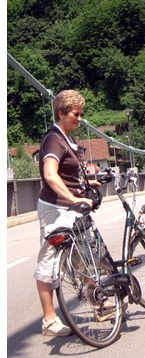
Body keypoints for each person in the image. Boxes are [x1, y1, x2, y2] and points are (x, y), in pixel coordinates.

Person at [34, 89, 100, 337]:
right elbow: (50, 174)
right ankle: (49, 320)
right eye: (75, 113)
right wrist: (72, 197)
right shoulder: (53, 139)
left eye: (82, 114)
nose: (80, 118)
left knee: (87, 255)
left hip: (73, 206)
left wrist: (87, 184)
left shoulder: (67, 138)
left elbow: (67, 173)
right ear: (61, 112)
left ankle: (98, 304)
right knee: (49, 261)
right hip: (55, 209)